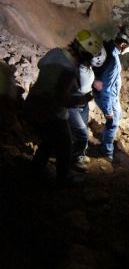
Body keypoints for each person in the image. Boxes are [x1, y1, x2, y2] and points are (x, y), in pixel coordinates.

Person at [24, 29, 104, 185]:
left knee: (49, 141)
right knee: (65, 144)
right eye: (89, 57)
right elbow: (63, 101)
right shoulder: (69, 70)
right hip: (49, 113)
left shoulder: (56, 52)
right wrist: (84, 98)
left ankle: (35, 170)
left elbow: (41, 64)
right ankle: (63, 179)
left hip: (32, 103)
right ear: (84, 53)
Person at [93, 25, 129, 162]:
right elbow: (105, 89)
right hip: (107, 96)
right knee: (113, 122)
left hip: (106, 92)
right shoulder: (113, 62)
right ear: (123, 44)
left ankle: (107, 140)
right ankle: (106, 152)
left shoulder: (105, 46)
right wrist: (108, 111)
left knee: (118, 115)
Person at [68, 46, 107, 172]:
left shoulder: (85, 66)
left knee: (82, 128)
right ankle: (74, 159)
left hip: (81, 104)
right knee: (81, 134)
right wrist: (94, 92)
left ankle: (79, 154)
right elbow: (79, 95)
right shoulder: (80, 70)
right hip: (75, 105)